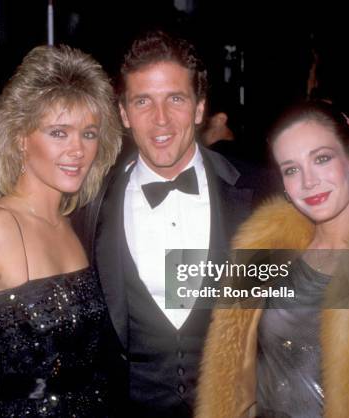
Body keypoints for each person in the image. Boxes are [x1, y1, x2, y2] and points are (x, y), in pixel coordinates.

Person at [73, 30, 264, 417]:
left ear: (199, 108)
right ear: (124, 113)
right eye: (143, 101)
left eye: (175, 99)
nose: (160, 119)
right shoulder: (85, 206)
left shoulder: (260, 195)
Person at [196, 101, 349, 417]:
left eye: (321, 159)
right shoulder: (262, 249)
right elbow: (232, 368)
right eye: (291, 169)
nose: (308, 181)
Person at [0, 45, 122, 417]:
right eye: (59, 132)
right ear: (21, 139)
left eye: (88, 134)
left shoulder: (78, 224)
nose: (78, 150)